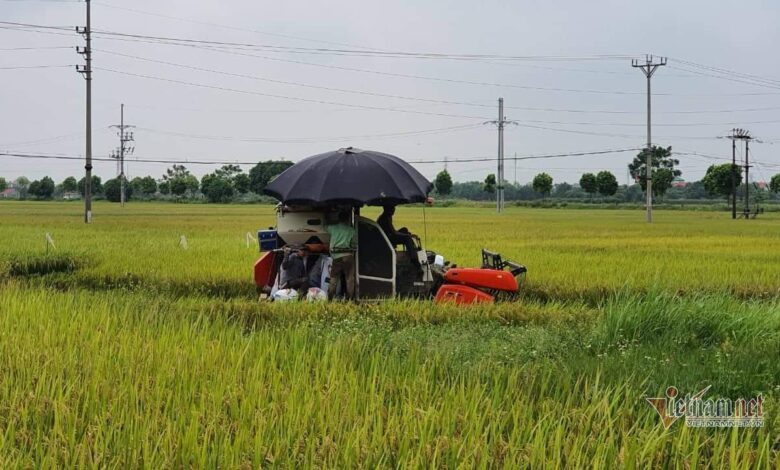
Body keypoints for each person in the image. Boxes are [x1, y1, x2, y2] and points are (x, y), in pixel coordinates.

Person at [325, 210, 357, 300]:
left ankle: (330, 298)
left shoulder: (333, 228)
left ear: (338, 219)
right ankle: (349, 299)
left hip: (336, 257)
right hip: (348, 257)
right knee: (349, 279)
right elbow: (354, 245)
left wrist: (327, 216)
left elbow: (324, 226)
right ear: (347, 220)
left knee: (334, 279)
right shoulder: (352, 230)